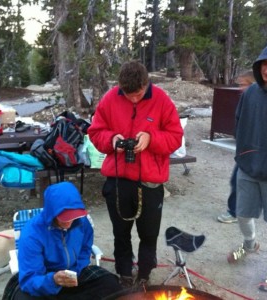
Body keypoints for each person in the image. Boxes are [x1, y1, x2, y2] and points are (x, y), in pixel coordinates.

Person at [87, 60, 183, 288]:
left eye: (138, 95)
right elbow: (95, 131)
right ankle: (123, 271)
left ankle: (145, 272)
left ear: (146, 85)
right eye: (128, 95)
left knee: (148, 233)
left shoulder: (161, 100)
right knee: (120, 232)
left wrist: (151, 138)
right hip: (118, 179)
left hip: (150, 182)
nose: (133, 99)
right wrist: (112, 140)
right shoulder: (110, 98)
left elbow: (175, 137)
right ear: (120, 86)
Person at [227, 40, 267, 292]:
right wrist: (243, 152)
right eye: (265, 64)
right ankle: (250, 243)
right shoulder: (251, 93)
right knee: (242, 213)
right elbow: (239, 122)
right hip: (248, 165)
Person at [3, 182, 122, 300]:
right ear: (52, 213)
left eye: (73, 216)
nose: (69, 222)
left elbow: (85, 249)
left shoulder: (82, 222)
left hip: (75, 274)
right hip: (45, 280)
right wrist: (53, 280)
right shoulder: (32, 234)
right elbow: (30, 279)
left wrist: (76, 271)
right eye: (64, 217)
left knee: (110, 283)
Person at [217, 70, 255, 224]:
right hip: (245, 151)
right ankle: (236, 211)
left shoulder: (259, 102)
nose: (240, 88)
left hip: (255, 152)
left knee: (240, 181)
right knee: (237, 180)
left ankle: (235, 212)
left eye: (243, 85)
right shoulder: (245, 100)